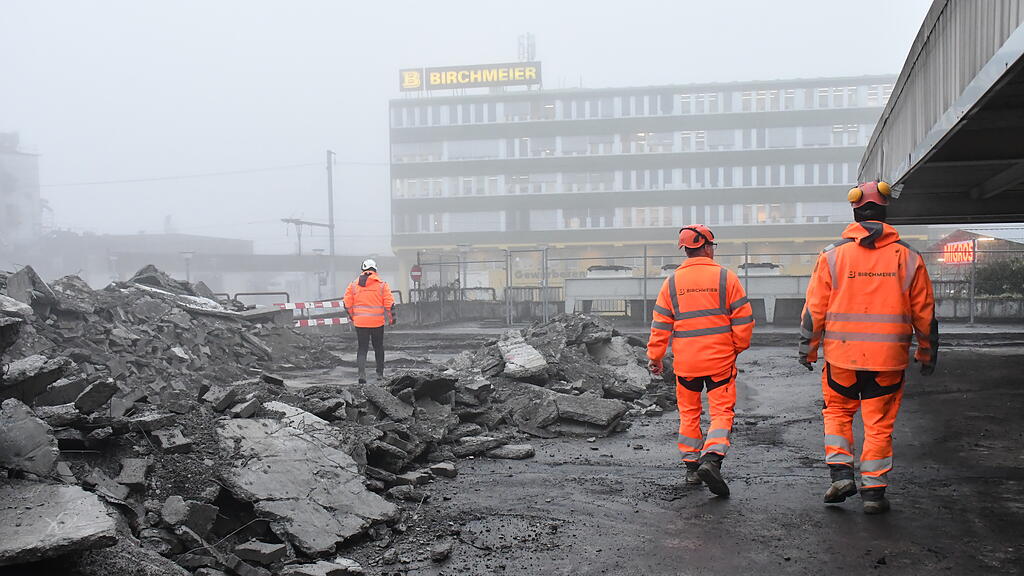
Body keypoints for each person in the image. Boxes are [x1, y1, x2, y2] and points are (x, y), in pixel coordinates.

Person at [799, 180, 938, 514]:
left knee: (837, 412)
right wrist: (927, 353)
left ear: (855, 210)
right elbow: (925, 314)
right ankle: (874, 493)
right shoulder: (909, 257)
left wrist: (808, 349)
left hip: (841, 359)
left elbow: (814, 310)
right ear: (886, 209)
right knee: (878, 425)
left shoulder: (832, 255)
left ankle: (841, 473)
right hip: (888, 361)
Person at [647, 225, 755, 497]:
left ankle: (692, 467)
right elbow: (743, 319)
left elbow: (660, 324)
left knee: (689, 412)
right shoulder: (725, 277)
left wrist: (655, 357)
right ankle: (712, 459)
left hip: (687, 363)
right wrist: (736, 348)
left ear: (685, 250)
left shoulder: (671, 282)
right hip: (719, 360)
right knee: (720, 412)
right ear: (707, 247)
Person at [343, 259, 396, 384]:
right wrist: (392, 319)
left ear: (363, 270)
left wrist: (353, 317)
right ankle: (380, 374)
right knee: (378, 347)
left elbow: (346, 304)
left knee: (362, 348)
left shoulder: (353, 285)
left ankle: (362, 375)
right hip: (377, 323)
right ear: (375, 270)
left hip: (360, 323)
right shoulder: (382, 285)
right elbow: (390, 304)